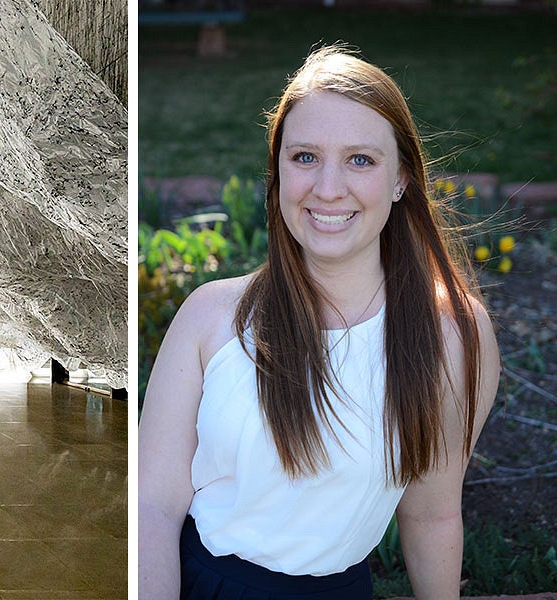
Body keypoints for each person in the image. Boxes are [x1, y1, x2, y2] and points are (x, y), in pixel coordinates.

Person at [138, 47, 500, 600]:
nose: (328, 188)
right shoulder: (211, 319)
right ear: (278, 171)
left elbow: (431, 516)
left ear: (402, 179)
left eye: (360, 160)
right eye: (305, 157)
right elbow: (153, 507)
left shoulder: (451, 336)